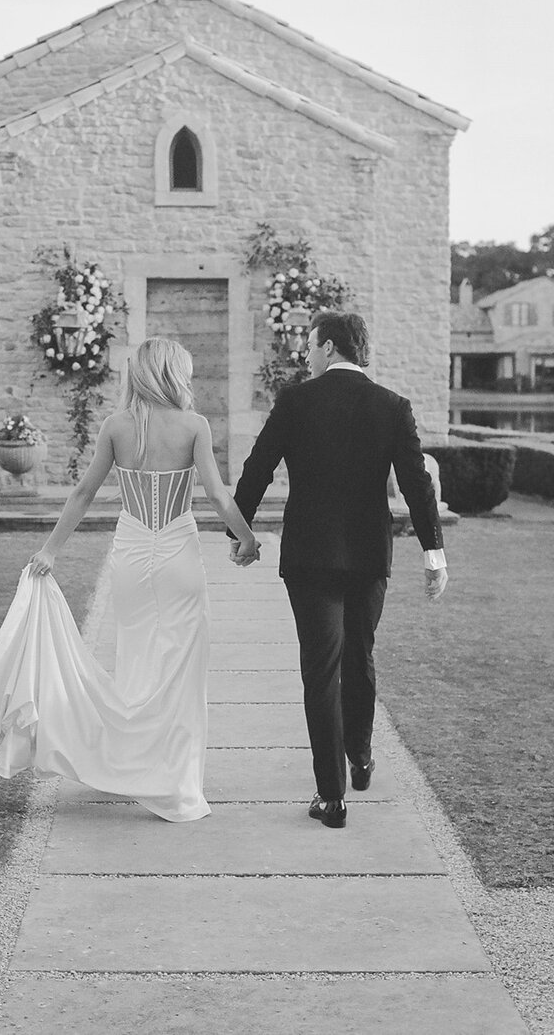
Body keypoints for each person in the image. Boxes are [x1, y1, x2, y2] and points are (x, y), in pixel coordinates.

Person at [0, 337, 260, 821]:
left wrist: (51, 549)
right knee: (181, 671)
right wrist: (247, 539)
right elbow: (218, 495)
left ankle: (129, 764)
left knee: (135, 662)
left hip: (132, 554)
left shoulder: (117, 426)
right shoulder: (194, 425)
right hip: (178, 553)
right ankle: (176, 783)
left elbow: (83, 492)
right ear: (173, 374)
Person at [228, 311, 447, 829]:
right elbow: (416, 483)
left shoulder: (295, 401)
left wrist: (240, 533)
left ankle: (331, 797)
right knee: (360, 654)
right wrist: (433, 553)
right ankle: (361, 755)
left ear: (329, 347)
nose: (306, 355)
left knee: (321, 669)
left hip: (309, 556)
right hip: (368, 555)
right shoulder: (392, 405)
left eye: (310, 346)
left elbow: (258, 467)